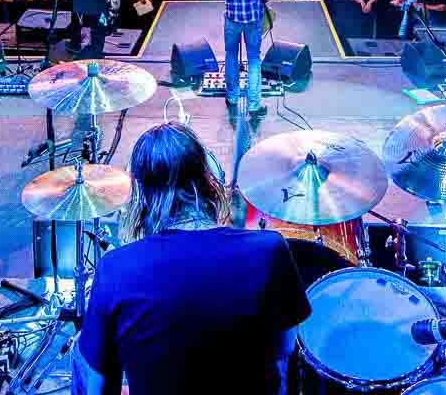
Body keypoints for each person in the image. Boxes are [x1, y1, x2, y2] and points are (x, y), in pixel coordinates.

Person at [74, 123, 310, 395]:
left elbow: (100, 388)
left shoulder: (116, 269)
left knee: (84, 353)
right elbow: (285, 351)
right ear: (208, 179)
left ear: (141, 196)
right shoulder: (269, 250)